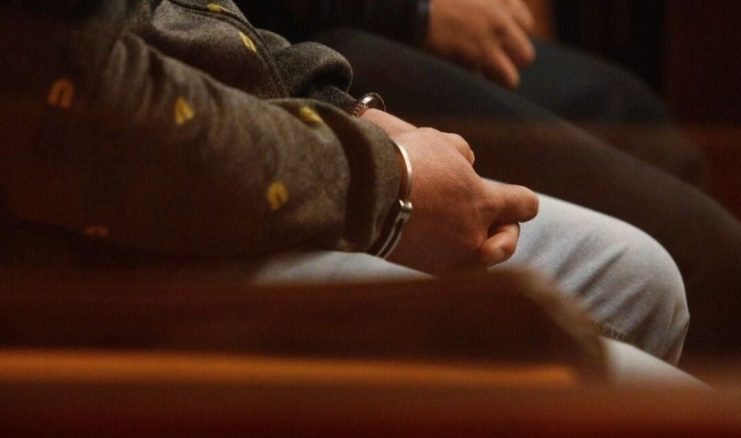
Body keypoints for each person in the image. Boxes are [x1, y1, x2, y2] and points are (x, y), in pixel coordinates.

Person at [1, 0, 696, 382]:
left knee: (641, 279)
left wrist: (341, 109)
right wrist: (386, 183)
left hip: (199, 139)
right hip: (67, 249)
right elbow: (76, 104)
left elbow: (159, 17)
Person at [236, 0, 741, 359]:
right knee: (712, 266)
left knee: (638, 126)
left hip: (296, 59)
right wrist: (411, 14)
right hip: (309, 46)